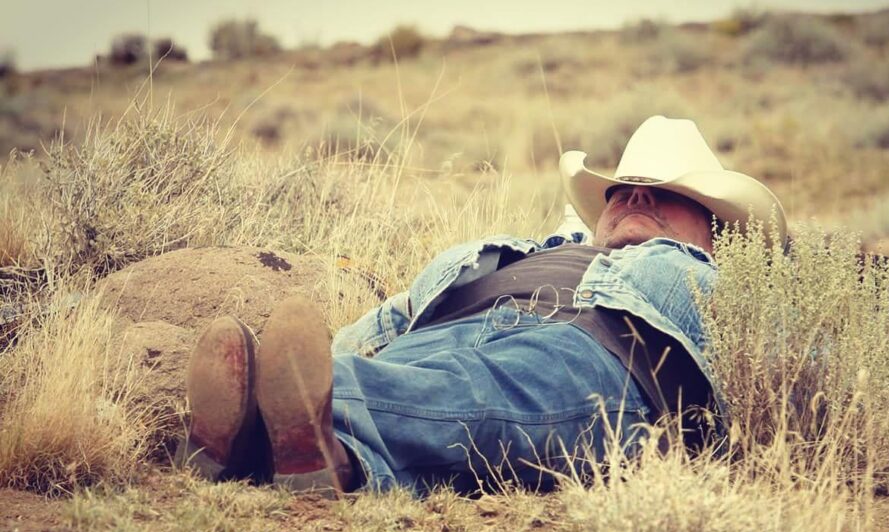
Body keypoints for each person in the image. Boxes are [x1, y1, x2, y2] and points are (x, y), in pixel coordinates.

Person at [174, 116, 786, 497]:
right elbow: (385, 323)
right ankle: (303, 444)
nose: (632, 200)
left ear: (714, 231)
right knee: (421, 375)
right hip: (451, 328)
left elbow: (805, 362)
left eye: (660, 197)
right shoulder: (518, 254)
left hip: (595, 360)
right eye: (621, 193)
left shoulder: (723, 286)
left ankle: (272, 434)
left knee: (476, 392)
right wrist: (307, 365)